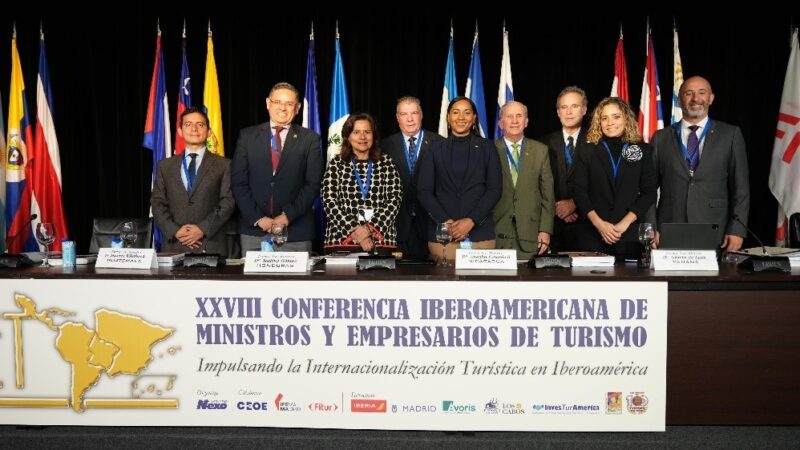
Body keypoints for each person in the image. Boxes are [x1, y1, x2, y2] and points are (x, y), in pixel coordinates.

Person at [651, 76, 749, 251]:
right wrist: (651, 226)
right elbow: (648, 188)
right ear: (679, 100)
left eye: (702, 93)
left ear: (711, 98)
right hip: (669, 227)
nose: (696, 98)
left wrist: (737, 229)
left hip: (716, 229)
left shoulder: (730, 135)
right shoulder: (660, 138)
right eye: (688, 93)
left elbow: (740, 188)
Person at [231, 82, 324, 253]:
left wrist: (287, 216)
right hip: (254, 231)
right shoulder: (247, 136)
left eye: (289, 103)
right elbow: (238, 182)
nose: (283, 108)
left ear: (297, 108)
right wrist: (258, 218)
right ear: (268, 103)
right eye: (277, 102)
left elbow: (312, 184)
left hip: (296, 232)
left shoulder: (310, 139)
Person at [417, 96, 502, 262]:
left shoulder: (488, 147)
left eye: (467, 112)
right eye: (456, 112)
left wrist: (471, 221)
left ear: (474, 118)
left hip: (480, 234)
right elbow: (424, 191)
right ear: (448, 117)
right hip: (443, 236)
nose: (461, 117)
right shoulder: (433, 148)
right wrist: (446, 223)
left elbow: (494, 189)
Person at [573, 97, 657, 257]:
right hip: (593, 235)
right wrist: (600, 225)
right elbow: (579, 192)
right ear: (599, 122)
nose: (610, 122)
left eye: (616, 117)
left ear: (626, 118)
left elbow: (649, 192)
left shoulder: (642, 150)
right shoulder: (587, 150)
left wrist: (624, 224)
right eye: (604, 118)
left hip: (629, 235)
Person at [150, 107, 235, 253]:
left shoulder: (224, 165)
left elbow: (228, 202)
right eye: (188, 124)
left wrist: (202, 229)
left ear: (209, 132)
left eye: (200, 124)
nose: (194, 129)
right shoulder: (165, 166)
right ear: (180, 131)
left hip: (210, 244)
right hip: (174, 245)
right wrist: (175, 231)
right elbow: (157, 203)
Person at [322, 113, 402, 253]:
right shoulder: (336, 164)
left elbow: (394, 199)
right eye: (356, 132)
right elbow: (329, 201)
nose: (362, 137)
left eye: (367, 132)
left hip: (381, 241)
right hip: (341, 240)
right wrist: (357, 231)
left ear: (373, 135)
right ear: (348, 136)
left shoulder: (386, 163)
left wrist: (369, 229)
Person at [380, 96, 444, 260]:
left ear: (421, 115)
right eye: (404, 114)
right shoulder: (384, 146)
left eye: (414, 113)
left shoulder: (440, 143)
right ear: (397, 118)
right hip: (397, 227)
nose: (409, 119)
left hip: (431, 226)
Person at [493, 101, 554, 259]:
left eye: (519, 116)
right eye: (509, 116)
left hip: (531, 233)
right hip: (496, 232)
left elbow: (548, 195)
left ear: (526, 121)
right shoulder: (489, 150)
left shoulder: (540, 150)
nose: (515, 121)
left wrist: (545, 230)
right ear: (501, 123)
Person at [540, 86, 590, 253]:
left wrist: (575, 204)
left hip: (588, 225)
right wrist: (558, 208)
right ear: (558, 112)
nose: (568, 112)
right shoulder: (543, 144)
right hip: (552, 226)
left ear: (584, 110)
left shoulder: (597, 142)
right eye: (564, 107)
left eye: (574, 106)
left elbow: (602, 183)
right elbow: (537, 183)